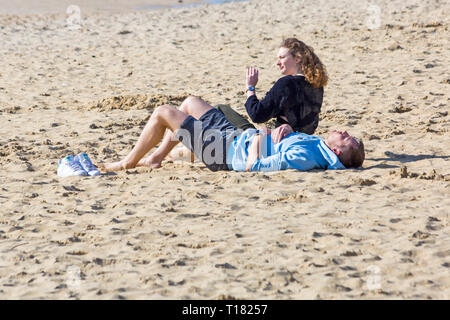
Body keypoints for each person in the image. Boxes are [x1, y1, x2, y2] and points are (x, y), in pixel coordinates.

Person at [97, 100, 365, 173]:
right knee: (190, 103)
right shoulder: (318, 146)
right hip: (234, 137)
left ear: (338, 152)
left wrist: (260, 138)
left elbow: (256, 166)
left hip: (224, 153)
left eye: (346, 139)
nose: (343, 132)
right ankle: (156, 157)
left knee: (163, 112)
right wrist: (290, 131)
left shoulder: (307, 156)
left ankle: (126, 164)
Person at [216, 37, 328, 144]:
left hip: (278, 143)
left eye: (282, 57)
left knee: (220, 108)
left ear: (298, 58)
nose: (277, 63)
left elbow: (257, 115)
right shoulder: (317, 86)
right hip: (305, 141)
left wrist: (250, 88)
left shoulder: (286, 84)